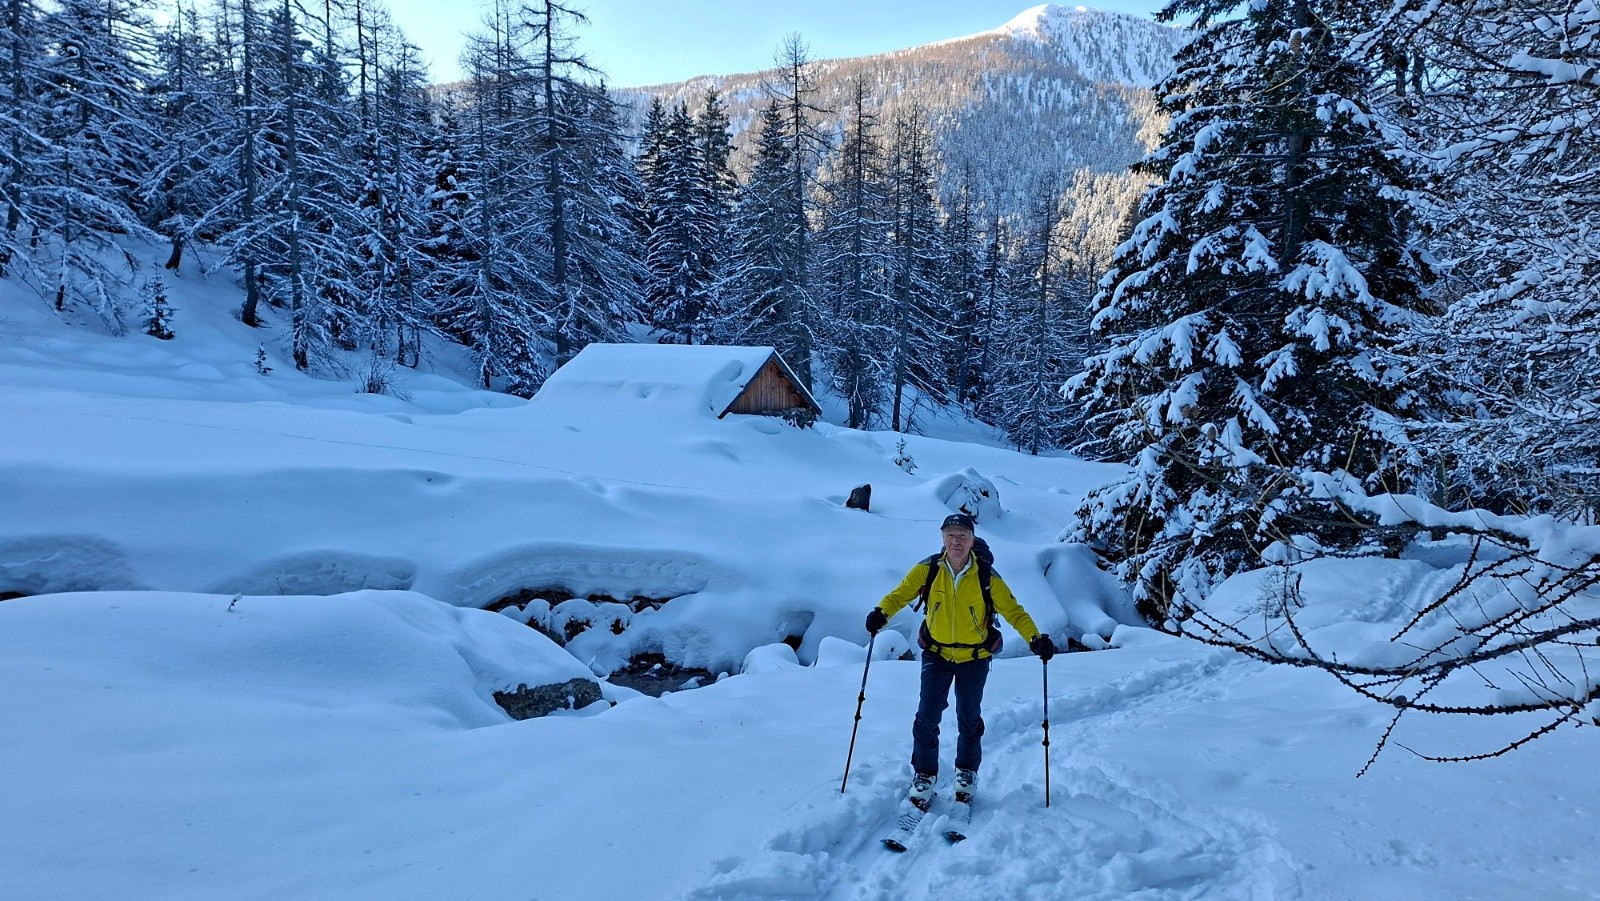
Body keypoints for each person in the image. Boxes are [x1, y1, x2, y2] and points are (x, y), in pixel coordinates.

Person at [865, 512, 1054, 810]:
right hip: (936, 654)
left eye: (962, 535)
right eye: (950, 535)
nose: (956, 541)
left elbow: (1014, 612)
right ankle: (924, 775)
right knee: (926, 717)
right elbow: (900, 594)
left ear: (972, 539)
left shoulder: (986, 577)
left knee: (969, 718)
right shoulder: (927, 570)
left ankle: (966, 773)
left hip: (974, 658)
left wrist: (1035, 638)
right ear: (942, 538)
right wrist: (881, 613)